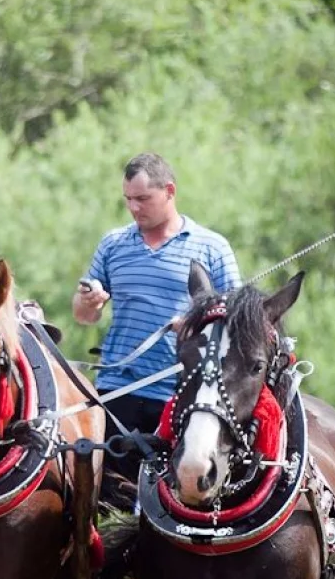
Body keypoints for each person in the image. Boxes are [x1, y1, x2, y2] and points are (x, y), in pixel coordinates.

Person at [72, 152, 242, 510]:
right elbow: (83, 316)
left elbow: (236, 324)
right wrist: (90, 303)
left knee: (173, 501)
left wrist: (195, 326)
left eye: (143, 199)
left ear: (169, 191)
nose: (134, 208)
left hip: (184, 396)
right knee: (106, 500)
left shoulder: (212, 247)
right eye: (128, 200)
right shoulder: (113, 244)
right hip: (118, 389)